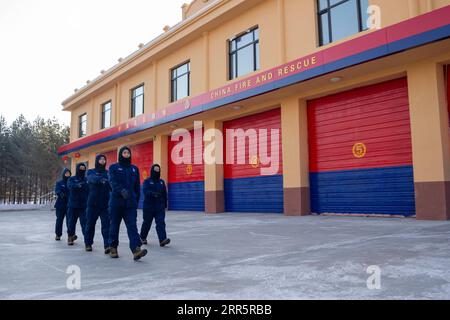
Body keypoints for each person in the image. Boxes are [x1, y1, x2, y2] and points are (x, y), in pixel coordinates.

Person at [108, 146, 147, 261]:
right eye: (124, 152)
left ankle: (136, 250)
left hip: (130, 204)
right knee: (114, 226)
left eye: (128, 153)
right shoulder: (113, 167)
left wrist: (136, 199)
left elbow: (137, 187)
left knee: (132, 227)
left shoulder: (134, 169)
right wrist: (121, 191)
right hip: (116, 203)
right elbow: (112, 182)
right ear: (120, 154)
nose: (126, 154)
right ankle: (113, 247)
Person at [84, 154, 111, 253]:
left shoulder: (108, 173)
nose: (103, 161)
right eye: (101, 159)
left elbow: (111, 183)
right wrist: (100, 180)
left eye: (104, 159)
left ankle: (107, 245)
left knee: (106, 225)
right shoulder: (91, 171)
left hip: (105, 204)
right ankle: (88, 243)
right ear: (97, 161)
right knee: (90, 224)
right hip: (93, 203)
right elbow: (91, 179)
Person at [140, 164, 171, 247]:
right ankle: (142, 237)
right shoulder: (147, 181)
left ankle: (162, 240)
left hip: (159, 206)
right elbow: (145, 191)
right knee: (147, 223)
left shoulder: (161, 182)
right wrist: (154, 194)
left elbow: (165, 193)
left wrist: (165, 203)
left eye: (158, 169)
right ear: (152, 170)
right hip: (148, 206)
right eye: (155, 169)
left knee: (160, 222)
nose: (157, 171)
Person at [67, 163, 89, 246]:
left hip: (83, 206)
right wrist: (77, 185)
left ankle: (87, 241)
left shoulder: (86, 179)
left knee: (85, 223)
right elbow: (69, 186)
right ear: (77, 169)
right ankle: (70, 236)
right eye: (80, 168)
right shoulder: (72, 179)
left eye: (84, 168)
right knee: (71, 222)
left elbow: (90, 189)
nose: (82, 170)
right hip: (73, 205)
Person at [54, 168, 71, 241]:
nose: (67, 174)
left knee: (69, 221)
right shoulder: (59, 183)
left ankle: (70, 235)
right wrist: (61, 194)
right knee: (59, 220)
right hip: (60, 205)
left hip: (69, 205)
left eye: (69, 173)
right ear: (63, 174)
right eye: (66, 173)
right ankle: (58, 234)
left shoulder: (71, 182)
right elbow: (57, 190)